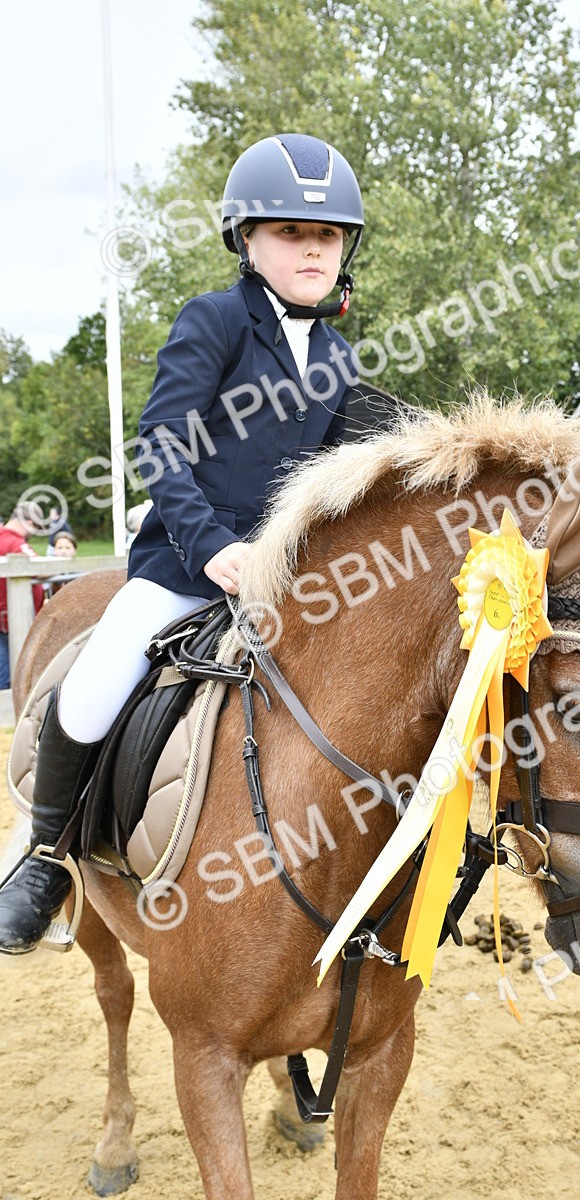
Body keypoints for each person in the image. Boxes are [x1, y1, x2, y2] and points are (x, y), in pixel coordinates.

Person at [0, 133, 364, 953]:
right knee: (94, 684)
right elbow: (161, 442)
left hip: (282, 583)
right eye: (290, 233)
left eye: (326, 235)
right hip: (187, 568)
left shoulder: (340, 358)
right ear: (248, 240)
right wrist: (209, 548)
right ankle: (46, 858)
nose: (312, 249)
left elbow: (340, 479)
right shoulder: (216, 320)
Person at [0, 502, 46, 690]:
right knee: (10, 672)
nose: (33, 533)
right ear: (28, 522)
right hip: (11, 620)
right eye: (34, 527)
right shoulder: (14, 542)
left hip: (5, 617)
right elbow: (39, 567)